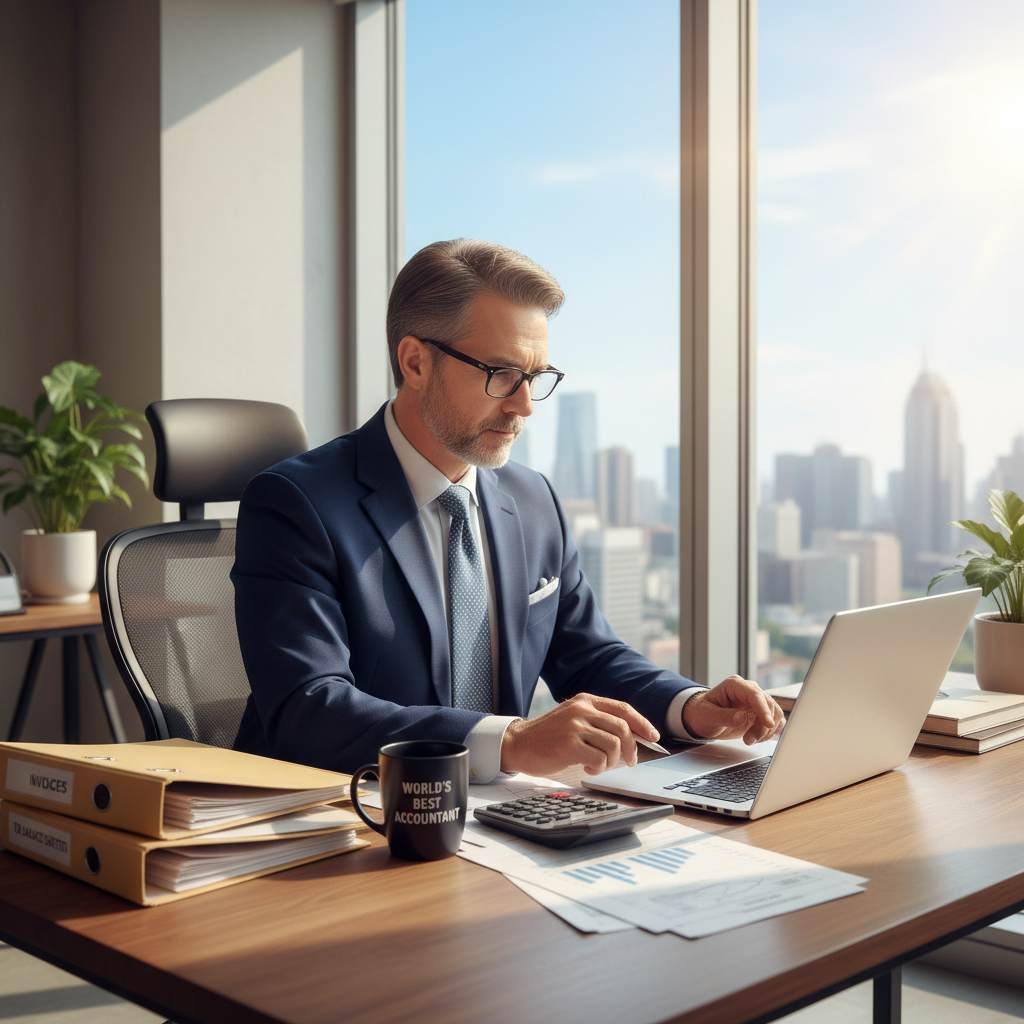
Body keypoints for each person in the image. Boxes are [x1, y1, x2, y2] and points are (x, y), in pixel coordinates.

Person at [231, 239, 783, 782]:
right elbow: (309, 709)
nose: (523, 405)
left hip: (500, 816)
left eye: (536, 377)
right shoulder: (297, 505)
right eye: (501, 373)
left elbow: (588, 657)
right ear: (416, 361)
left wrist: (688, 706)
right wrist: (510, 742)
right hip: (348, 819)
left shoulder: (533, 498)